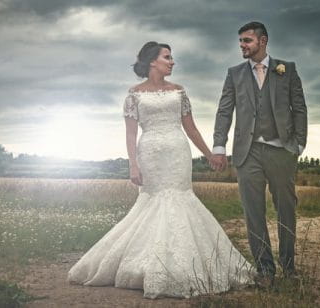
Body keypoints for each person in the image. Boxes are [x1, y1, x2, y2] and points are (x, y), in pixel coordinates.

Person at [67, 41, 253, 298]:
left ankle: (184, 265)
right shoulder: (134, 94)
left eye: (171, 57)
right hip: (150, 153)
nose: (172, 61)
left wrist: (210, 154)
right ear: (153, 61)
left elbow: (191, 129)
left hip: (178, 152)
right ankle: (146, 263)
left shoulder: (179, 91)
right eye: (167, 57)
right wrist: (133, 164)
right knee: (153, 203)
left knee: (180, 200)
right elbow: (130, 134)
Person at [211, 21, 307, 285]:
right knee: (253, 212)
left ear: (262, 41)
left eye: (247, 40)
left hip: (281, 150)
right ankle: (265, 270)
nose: (242, 45)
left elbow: (299, 107)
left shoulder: (287, 70)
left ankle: (288, 266)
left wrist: (299, 144)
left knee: (286, 209)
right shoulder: (234, 73)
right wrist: (219, 146)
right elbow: (224, 110)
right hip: (247, 152)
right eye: (240, 41)